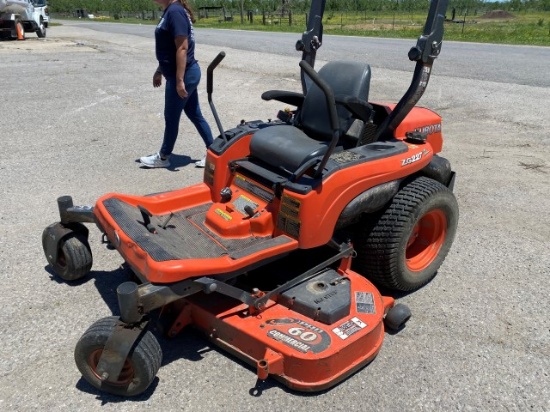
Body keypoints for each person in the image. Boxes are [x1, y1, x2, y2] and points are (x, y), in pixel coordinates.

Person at [140, 0, 213, 168]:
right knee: (194, 114)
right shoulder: (171, 11)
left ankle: (163, 157)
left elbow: (182, 48)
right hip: (184, 73)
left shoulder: (174, 11)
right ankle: (214, 152)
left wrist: (179, 80)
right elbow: (169, 48)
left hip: (184, 74)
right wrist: (160, 70)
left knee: (171, 117)